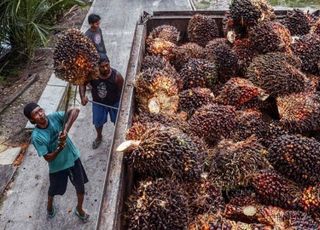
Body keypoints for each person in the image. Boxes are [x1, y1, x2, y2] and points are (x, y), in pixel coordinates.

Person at [23, 103, 89, 222]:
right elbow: (48, 158)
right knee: (54, 189)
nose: (41, 114)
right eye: (36, 114)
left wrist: (65, 130)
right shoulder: (36, 137)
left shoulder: (54, 117)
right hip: (57, 167)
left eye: (40, 110)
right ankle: (49, 206)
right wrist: (59, 147)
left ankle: (79, 209)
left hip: (73, 158)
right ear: (32, 119)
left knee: (80, 187)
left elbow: (75, 110)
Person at [79, 55, 124, 149]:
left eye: (107, 65)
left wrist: (122, 105)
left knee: (118, 122)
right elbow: (82, 83)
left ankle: (119, 138)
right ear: (98, 67)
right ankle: (99, 137)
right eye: (102, 67)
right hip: (98, 104)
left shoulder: (117, 76)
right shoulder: (92, 75)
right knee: (98, 123)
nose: (106, 68)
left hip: (114, 103)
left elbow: (124, 92)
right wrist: (83, 97)